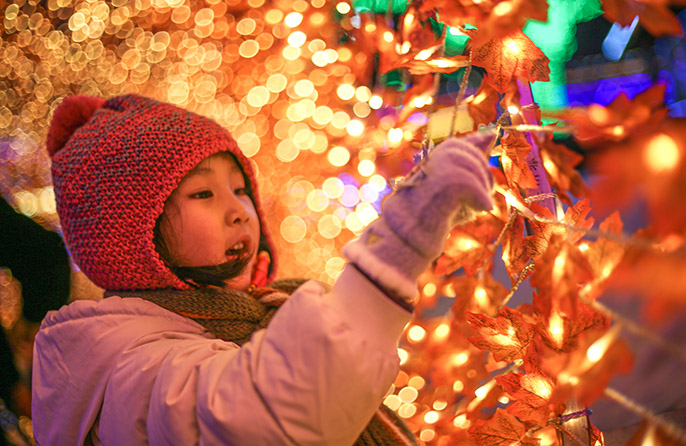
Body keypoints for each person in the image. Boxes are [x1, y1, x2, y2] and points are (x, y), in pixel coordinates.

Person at [31, 94, 494, 445]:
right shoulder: (130, 366)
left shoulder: (258, 314)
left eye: (239, 189)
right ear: (129, 234)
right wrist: (401, 241)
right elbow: (261, 414)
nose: (239, 211)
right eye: (203, 194)